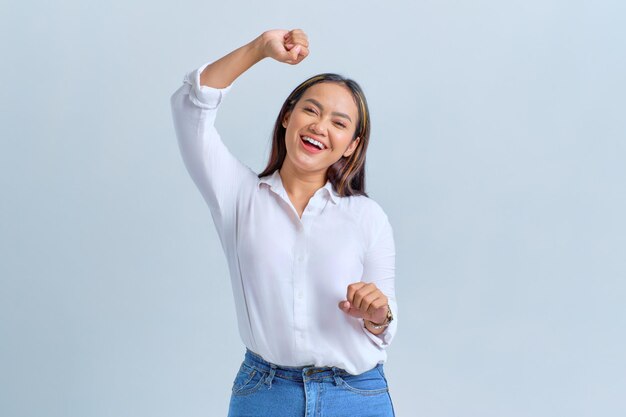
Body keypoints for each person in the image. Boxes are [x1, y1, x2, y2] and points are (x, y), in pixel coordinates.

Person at [170, 28, 398, 417]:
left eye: (339, 123)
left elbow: (385, 320)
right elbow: (190, 106)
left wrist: (379, 316)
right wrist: (260, 48)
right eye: (311, 110)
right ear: (288, 116)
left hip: (356, 396)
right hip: (266, 395)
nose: (320, 126)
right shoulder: (239, 196)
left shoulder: (367, 216)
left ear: (352, 145)